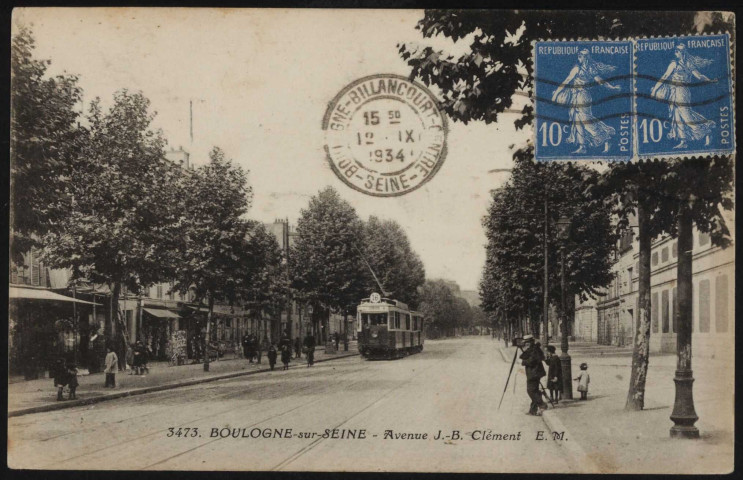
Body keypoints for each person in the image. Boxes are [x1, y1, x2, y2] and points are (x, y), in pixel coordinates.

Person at [551, 49, 622, 154]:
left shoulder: (584, 69)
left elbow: (567, 81)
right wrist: (612, 87)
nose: (579, 57)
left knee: (586, 120)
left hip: (583, 96)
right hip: (576, 96)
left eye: (581, 56)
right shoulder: (583, 68)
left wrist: (612, 88)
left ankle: (606, 139)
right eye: (578, 56)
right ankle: (582, 146)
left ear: (586, 57)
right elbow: (567, 81)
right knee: (577, 121)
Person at [651, 44, 716, 149]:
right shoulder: (673, 63)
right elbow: (665, 76)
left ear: (683, 52)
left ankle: (706, 131)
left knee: (686, 115)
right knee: (677, 116)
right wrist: (655, 89)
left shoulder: (689, 64)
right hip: (673, 91)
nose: (676, 52)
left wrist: (710, 80)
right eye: (675, 50)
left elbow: (699, 76)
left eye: (678, 51)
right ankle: (683, 141)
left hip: (682, 91)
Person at [519, 335, 547, 416]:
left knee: (530, 390)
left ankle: (542, 404)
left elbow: (531, 361)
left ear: (531, 342)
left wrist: (523, 362)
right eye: (525, 343)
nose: (526, 344)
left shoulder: (535, 349)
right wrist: (522, 349)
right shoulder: (532, 349)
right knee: (534, 390)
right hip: (533, 373)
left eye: (527, 342)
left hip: (535, 373)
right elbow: (523, 356)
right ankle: (533, 409)